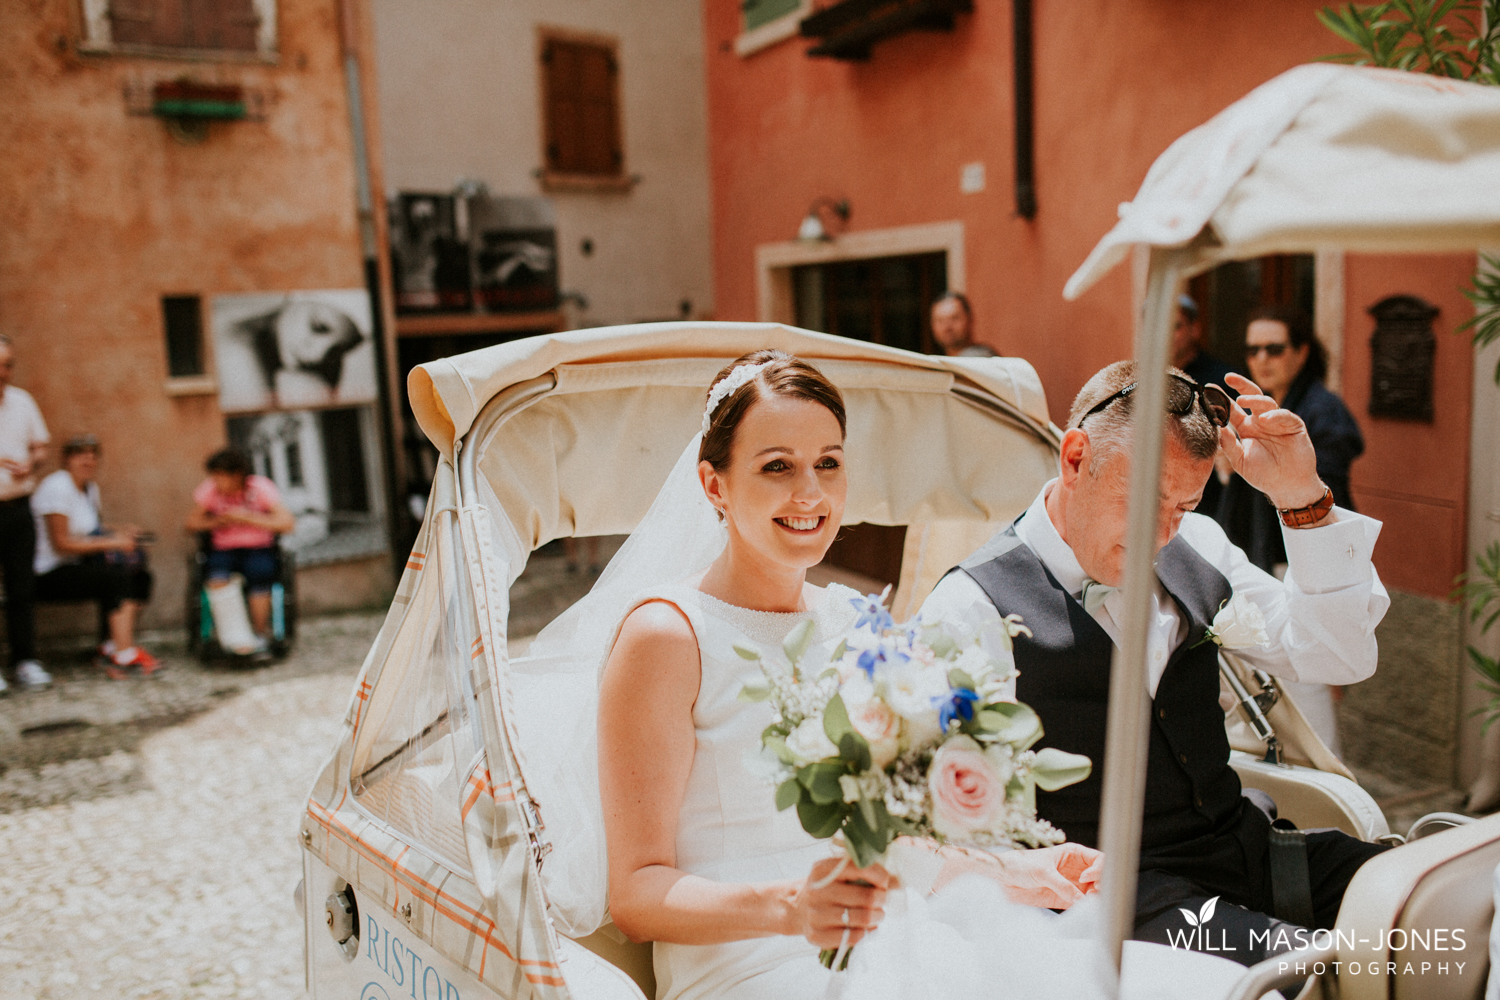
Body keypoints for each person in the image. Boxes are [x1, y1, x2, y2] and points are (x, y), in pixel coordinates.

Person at [590, 351, 1250, 1000]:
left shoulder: (855, 620)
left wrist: (1024, 870)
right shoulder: (667, 636)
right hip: (751, 968)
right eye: (776, 467)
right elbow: (637, 894)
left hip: (892, 935)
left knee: (1205, 987)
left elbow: (897, 842)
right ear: (714, 484)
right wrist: (791, 907)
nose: (810, 493)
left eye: (828, 463)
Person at [922, 359, 1390, 969]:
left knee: (1426, 898)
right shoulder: (968, 606)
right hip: (1116, 902)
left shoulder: (1197, 543)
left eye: (1184, 505)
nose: (1162, 535)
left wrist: (1300, 496)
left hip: (1246, 852)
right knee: (1328, 969)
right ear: (1074, 458)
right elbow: (925, 814)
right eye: (1144, 504)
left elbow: (1337, 654)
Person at [1215, 305, 1364, 756]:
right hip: (1256, 562)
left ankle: (1331, 793)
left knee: (1312, 691)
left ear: (1301, 352)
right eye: (1253, 349)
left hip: (1301, 562)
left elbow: (1327, 496)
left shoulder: (1321, 411)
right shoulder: (1252, 408)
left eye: (1274, 348)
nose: (1262, 357)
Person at [31, 435, 158, 676]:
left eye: (92, 454)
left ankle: (111, 645)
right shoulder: (57, 487)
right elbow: (62, 543)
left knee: (141, 577)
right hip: (48, 571)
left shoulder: (89, 488)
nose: (88, 459)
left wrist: (122, 531)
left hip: (78, 565)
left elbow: (90, 529)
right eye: (80, 454)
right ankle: (124, 655)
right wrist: (113, 542)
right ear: (66, 459)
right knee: (114, 577)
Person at [184, 447, 295, 655]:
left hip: (259, 548)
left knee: (260, 577)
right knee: (216, 577)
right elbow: (191, 523)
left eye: (219, 477)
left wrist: (246, 518)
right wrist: (218, 521)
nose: (215, 482)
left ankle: (259, 634)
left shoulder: (260, 488)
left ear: (236, 475)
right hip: (224, 550)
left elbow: (287, 522)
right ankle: (235, 638)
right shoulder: (210, 490)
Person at [0, 335, 52, 693]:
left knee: (21, 588)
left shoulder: (22, 401)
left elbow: (42, 446)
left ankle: (25, 661)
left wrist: (30, 462)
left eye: (7, 364)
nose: (2, 372)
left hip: (18, 508)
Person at [1173, 295, 1238, 517]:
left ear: (1195, 329)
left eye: (1175, 326)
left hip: (1208, 504)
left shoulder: (1220, 380)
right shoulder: (1140, 379)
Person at [929, 292, 996, 357]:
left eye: (954, 318)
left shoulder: (980, 358)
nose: (947, 327)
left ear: (970, 319)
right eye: (940, 320)